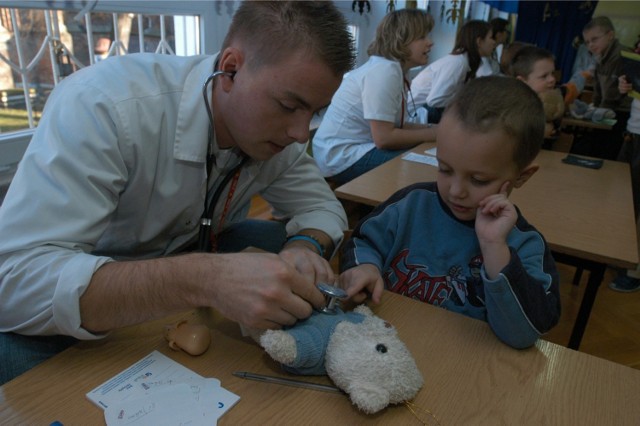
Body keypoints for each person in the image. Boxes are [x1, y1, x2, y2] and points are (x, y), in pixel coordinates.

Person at [0, 1, 356, 385]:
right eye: (289, 106)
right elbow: (14, 281)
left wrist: (304, 246)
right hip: (96, 294)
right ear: (231, 70)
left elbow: (323, 208)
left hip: (187, 264)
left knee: (278, 249)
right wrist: (204, 279)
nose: (301, 134)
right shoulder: (105, 105)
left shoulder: (276, 138)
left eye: (316, 112)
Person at [338, 76, 561, 349]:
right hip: (383, 346)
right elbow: (362, 242)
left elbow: (524, 333)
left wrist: (494, 248)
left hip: (460, 368)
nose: (456, 191)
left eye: (478, 180)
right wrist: (366, 266)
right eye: (444, 168)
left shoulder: (525, 244)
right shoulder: (410, 205)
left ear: (522, 176)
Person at [312, 9, 436, 186]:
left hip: (352, 150)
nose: (430, 43)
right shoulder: (385, 71)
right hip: (340, 157)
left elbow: (393, 126)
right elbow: (385, 138)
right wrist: (435, 133)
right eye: (422, 37)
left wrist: (433, 128)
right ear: (401, 39)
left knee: (421, 158)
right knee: (419, 168)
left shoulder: (393, 69)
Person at [410, 20, 495, 124]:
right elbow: (434, 101)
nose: (494, 43)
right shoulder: (458, 63)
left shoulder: (467, 61)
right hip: (417, 113)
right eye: (491, 38)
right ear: (479, 42)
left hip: (427, 110)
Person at [570, 16, 631, 160]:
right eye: (587, 42)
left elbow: (612, 92)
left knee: (605, 152)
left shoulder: (620, 56)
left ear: (610, 35)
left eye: (595, 39)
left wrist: (599, 111)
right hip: (606, 110)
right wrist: (595, 106)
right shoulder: (599, 57)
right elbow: (598, 87)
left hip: (621, 112)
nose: (590, 45)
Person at [609, 74, 640, 292]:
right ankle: (622, 257)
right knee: (625, 199)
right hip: (633, 131)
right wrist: (627, 86)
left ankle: (634, 271)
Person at [509, 46, 561, 143]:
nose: (552, 79)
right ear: (522, 82)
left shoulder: (548, 101)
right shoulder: (513, 108)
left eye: (552, 73)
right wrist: (538, 132)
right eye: (544, 76)